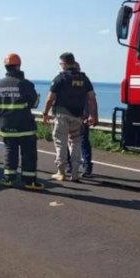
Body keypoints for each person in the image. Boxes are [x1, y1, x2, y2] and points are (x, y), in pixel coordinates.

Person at [41, 52, 98, 182]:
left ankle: (61, 172)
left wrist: (45, 113)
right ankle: (75, 173)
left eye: (61, 63)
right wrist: (93, 115)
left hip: (61, 115)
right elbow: (92, 99)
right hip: (78, 117)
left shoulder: (60, 78)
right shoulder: (84, 79)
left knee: (61, 142)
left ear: (64, 63)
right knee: (76, 143)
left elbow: (50, 98)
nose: (60, 66)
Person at [0, 53, 43, 190]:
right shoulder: (25, 84)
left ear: (6, 67)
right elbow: (34, 103)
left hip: (6, 125)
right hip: (24, 125)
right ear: (18, 66)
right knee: (29, 154)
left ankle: (8, 178)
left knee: (10, 152)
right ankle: (30, 181)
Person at [67, 62, 94, 179]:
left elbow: (91, 99)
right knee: (71, 142)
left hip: (81, 117)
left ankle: (86, 167)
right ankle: (71, 166)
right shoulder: (74, 80)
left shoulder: (84, 80)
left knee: (82, 142)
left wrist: (90, 115)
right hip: (71, 117)